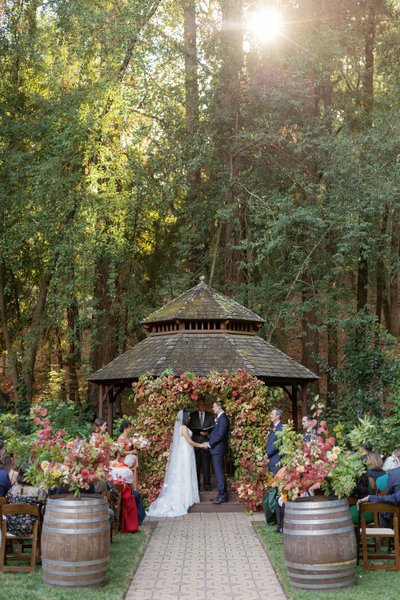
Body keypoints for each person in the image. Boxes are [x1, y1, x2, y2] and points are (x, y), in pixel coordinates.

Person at [147, 411, 202, 517]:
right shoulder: (183, 428)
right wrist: (201, 445)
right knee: (184, 474)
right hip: (184, 453)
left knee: (184, 474)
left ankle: (185, 497)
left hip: (186, 452)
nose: (190, 417)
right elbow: (189, 441)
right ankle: (184, 499)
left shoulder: (182, 427)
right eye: (188, 416)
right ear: (185, 417)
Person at [6, 464, 46, 536]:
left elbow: (8, 499)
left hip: (13, 528)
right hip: (31, 529)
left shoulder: (12, 490)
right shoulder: (37, 491)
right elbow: (45, 501)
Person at [202, 400, 230, 504]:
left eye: (214, 407)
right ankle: (220, 494)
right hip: (216, 449)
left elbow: (220, 435)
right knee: (217, 473)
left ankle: (222, 495)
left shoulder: (223, 419)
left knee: (219, 473)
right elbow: (216, 433)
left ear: (219, 407)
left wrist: (209, 444)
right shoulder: (219, 418)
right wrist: (208, 435)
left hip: (218, 449)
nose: (212, 409)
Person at [190, 399, 214, 491]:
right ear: (197, 406)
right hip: (195, 444)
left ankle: (207, 485)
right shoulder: (192, 415)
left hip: (206, 445)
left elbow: (213, 429)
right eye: (200, 405)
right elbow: (189, 429)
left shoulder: (210, 415)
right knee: (196, 466)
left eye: (203, 404)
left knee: (206, 466)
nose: (202, 406)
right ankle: (197, 486)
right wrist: (198, 432)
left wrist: (207, 434)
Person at [264, 408, 283, 476]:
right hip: (271, 460)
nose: (270, 416)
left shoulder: (280, 428)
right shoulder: (273, 428)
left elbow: (277, 444)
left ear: (278, 416)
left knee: (276, 483)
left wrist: (267, 455)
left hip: (276, 460)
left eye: (272, 414)